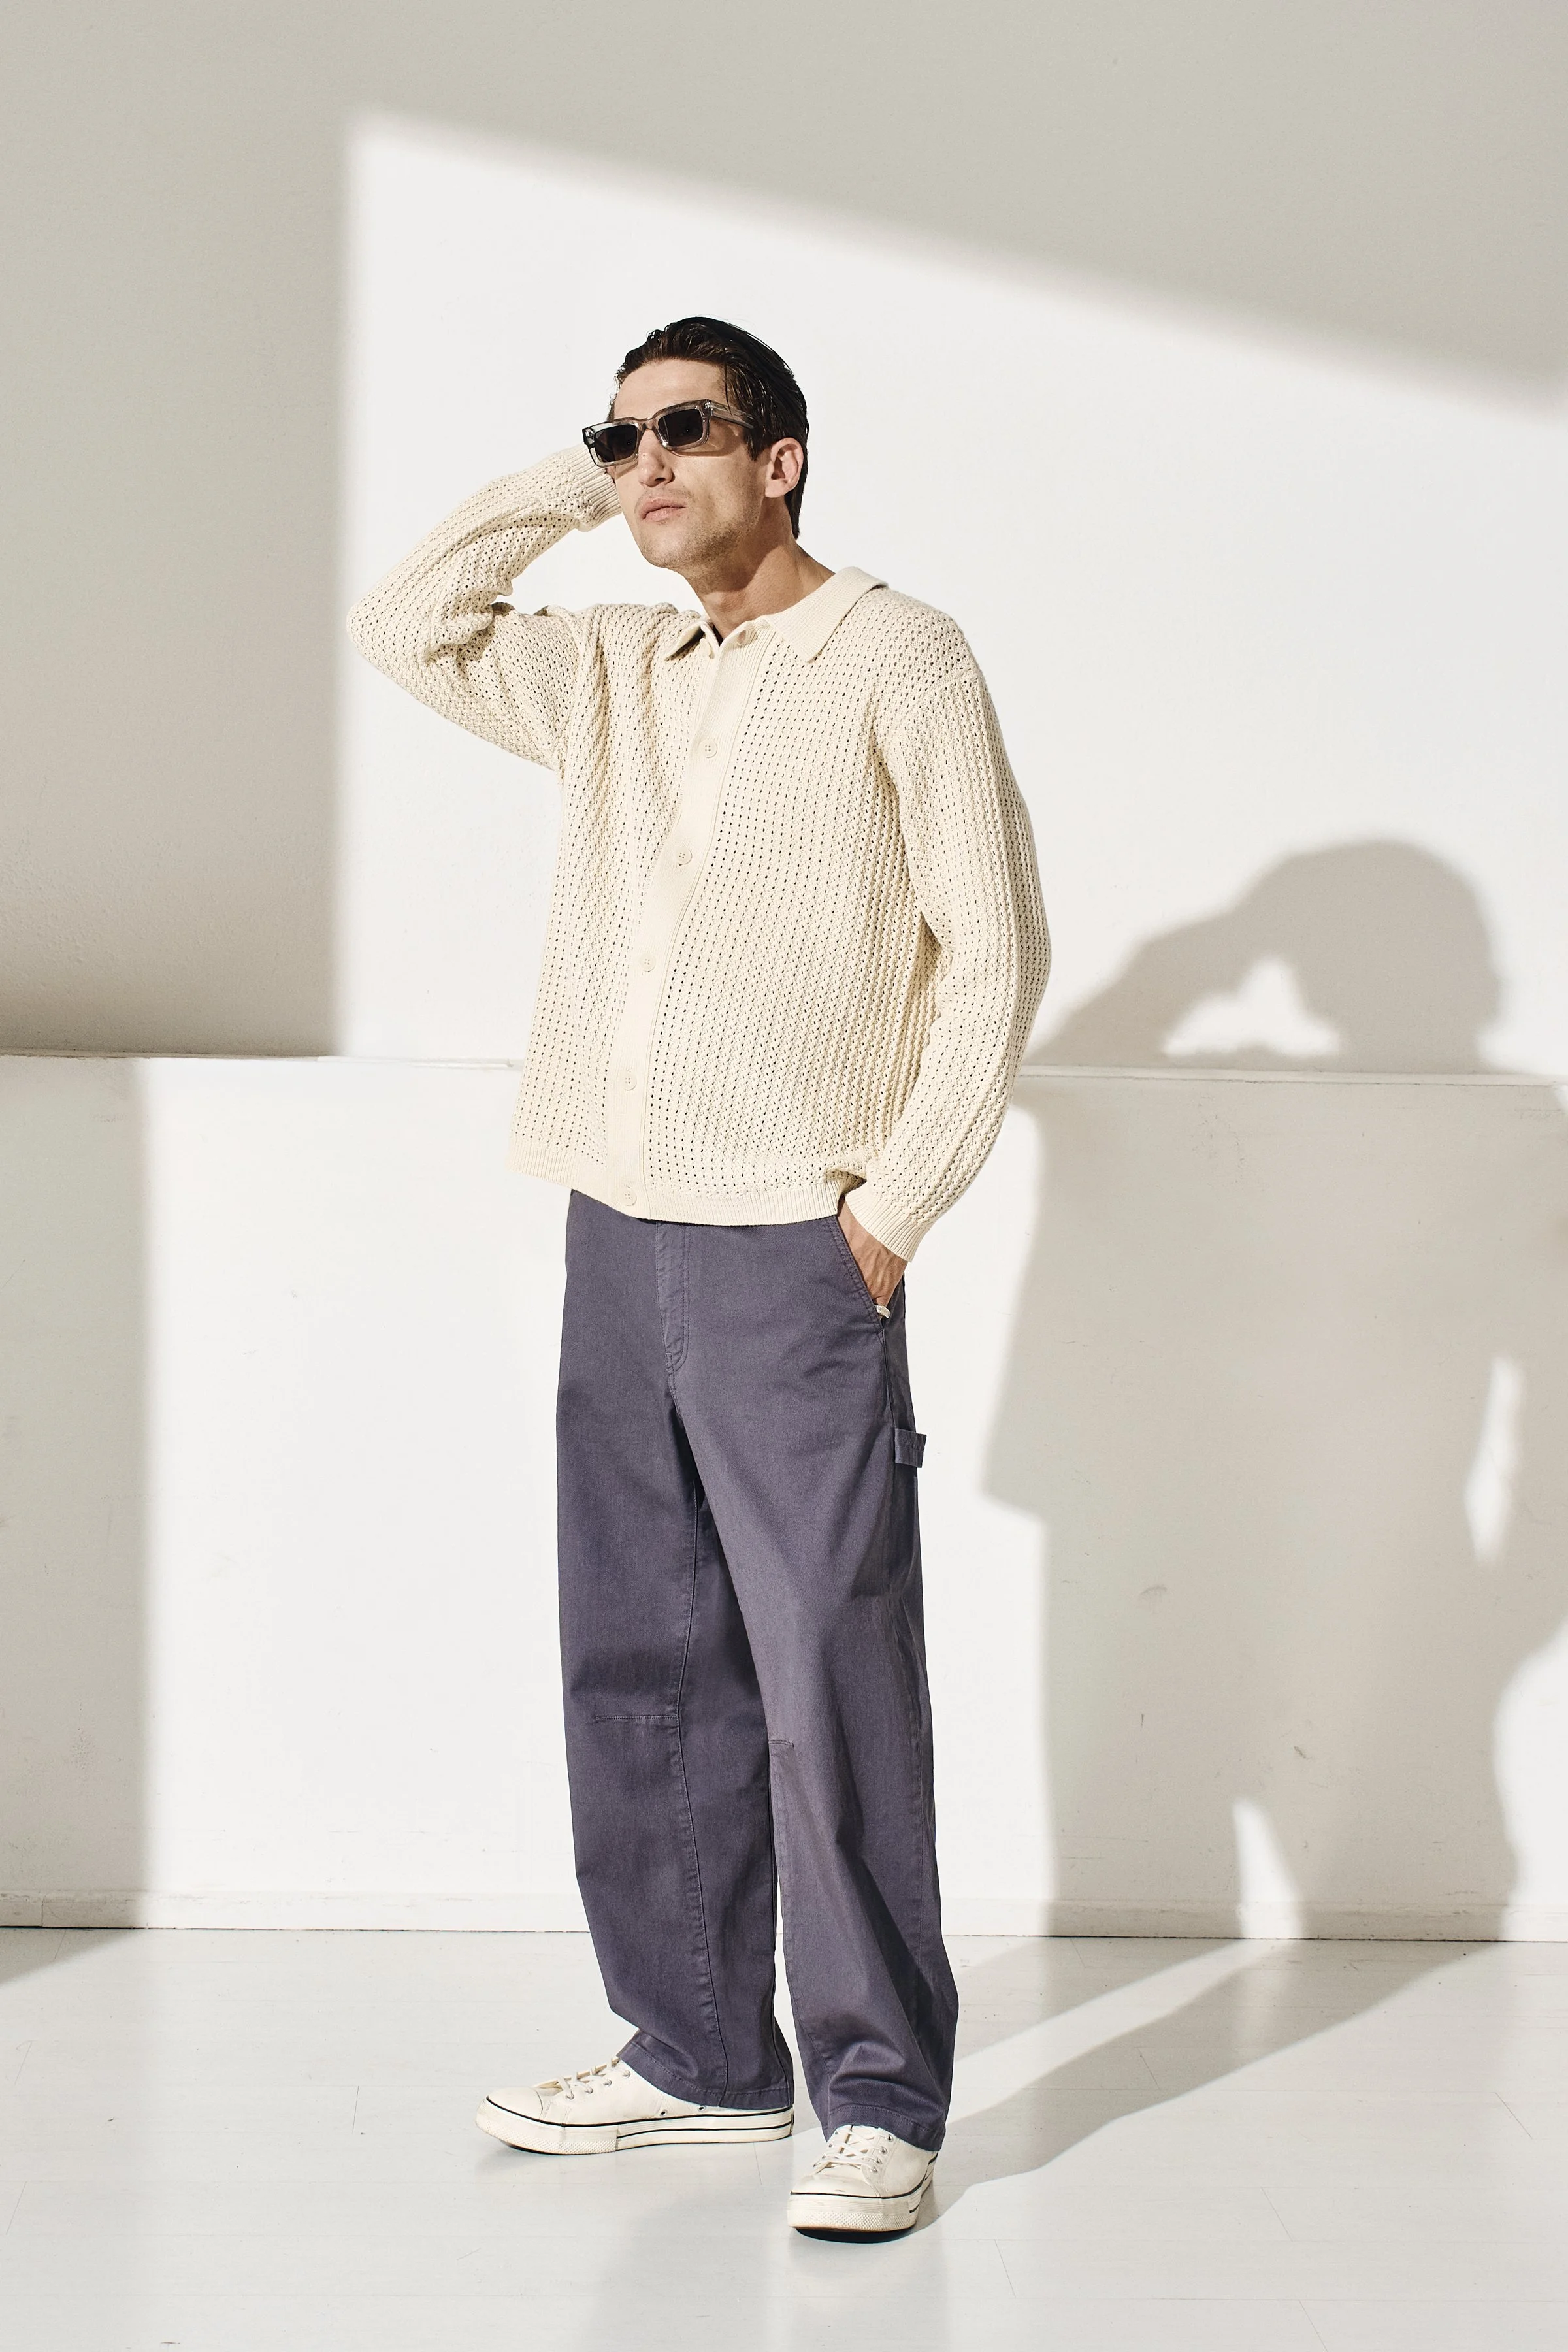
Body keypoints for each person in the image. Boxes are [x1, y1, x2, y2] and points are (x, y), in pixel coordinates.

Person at [347, 316, 1049, 2234]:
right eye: (620, 439)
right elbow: (407, 623)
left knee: (830, 1671)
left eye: (685, 432)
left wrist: (894, 1203)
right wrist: (577, 491)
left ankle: (880, 2099)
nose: (647, 466)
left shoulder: (900, 656)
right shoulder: (617, 669)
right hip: (618, 1214)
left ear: (783, 455)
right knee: (639, 1660)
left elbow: (992, 945)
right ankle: (700, 2054)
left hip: (796, 1240)